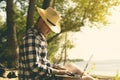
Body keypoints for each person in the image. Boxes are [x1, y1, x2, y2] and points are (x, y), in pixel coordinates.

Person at [18, 7, 95, 80]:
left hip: (42, 76)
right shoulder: (32, 38)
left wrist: (56, 67)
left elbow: (42, 62)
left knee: (72, 66)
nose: (50, 31)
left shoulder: (39, 37)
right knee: (80, 79)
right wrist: (58, 72)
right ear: (41, 21)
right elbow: (34, 67)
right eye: (49, 27)